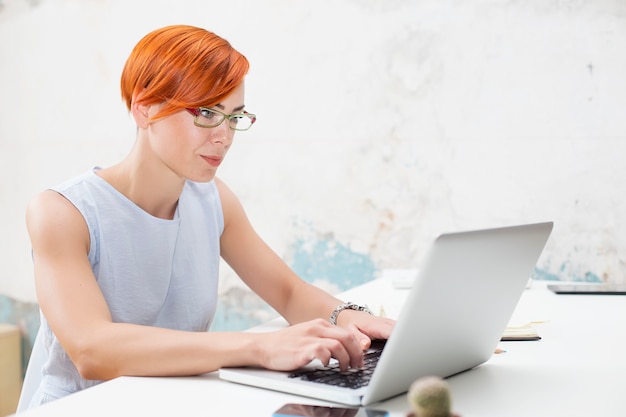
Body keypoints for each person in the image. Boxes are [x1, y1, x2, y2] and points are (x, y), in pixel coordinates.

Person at [22, 24, 395, 409]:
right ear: (143, 108)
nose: (224, 136)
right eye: (206, 113)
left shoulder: (212, 199)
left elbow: (288, 292)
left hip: (171, 405)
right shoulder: (63, 212)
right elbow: (93, 350)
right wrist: (260, 347)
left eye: (234, 116)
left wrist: (348, 318)